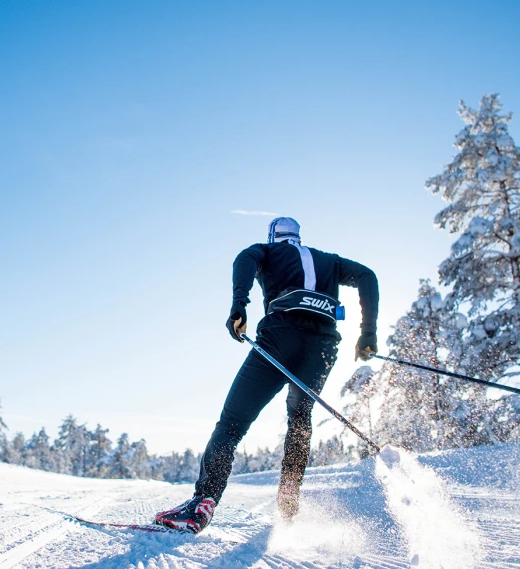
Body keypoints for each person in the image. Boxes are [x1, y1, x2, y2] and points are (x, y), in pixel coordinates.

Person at [154, 217, 379, 533]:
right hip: (323, 347)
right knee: (300, 417)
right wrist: (367, 333)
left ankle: (203, 502)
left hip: (279, 339)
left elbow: (244, 259)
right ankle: (288, 501)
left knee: (232, 423)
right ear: (299, 238)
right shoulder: (331, 261)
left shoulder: (268, 251)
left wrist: (238, 306)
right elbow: (368, 275)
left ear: (274, 237)